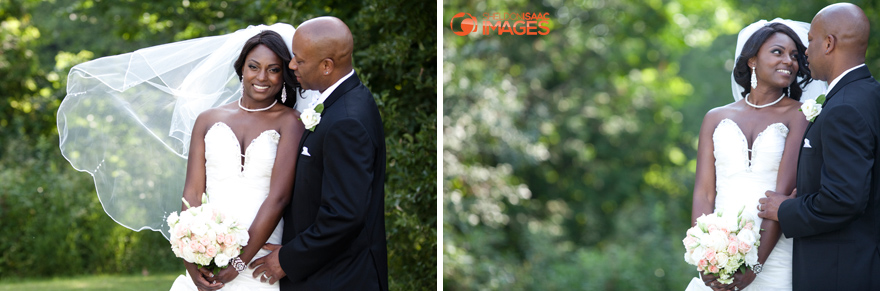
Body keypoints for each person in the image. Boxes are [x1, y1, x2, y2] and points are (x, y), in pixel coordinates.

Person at [250, 16, 389, 290]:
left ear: (327, 66)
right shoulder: (342, 101)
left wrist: (287, 260)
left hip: (339, 279)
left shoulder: (347, 120)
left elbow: (344, 215)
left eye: (299, 61)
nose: (291, 65)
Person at [685, 19, 825, 291]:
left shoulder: (801, 115)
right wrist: (705, 258)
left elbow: (782, 194)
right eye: (777, 52)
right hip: (719, 251)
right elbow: (704, 194)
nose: (789, 61)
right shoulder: (715, 117)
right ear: (752, 60)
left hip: (775, 253)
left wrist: (754, 266)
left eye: (795, 56)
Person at [167, 29, 305, 291]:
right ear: (241, 68)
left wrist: (239, 263)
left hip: (259, 261)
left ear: (283, 74)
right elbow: (193, 194)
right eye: (254, 67)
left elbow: (279, 197)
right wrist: (191, 261)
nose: (262, 77)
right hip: (209, 254)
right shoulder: (207, 119)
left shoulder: (291, 122)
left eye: (273, 69)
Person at [758, 3, 880, 290]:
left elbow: (844, 199)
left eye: (810, 40)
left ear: (828, 44)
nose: (805, 52)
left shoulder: (844, 108)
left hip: (839, 272)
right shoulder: (870, 95)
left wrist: (786, 209)